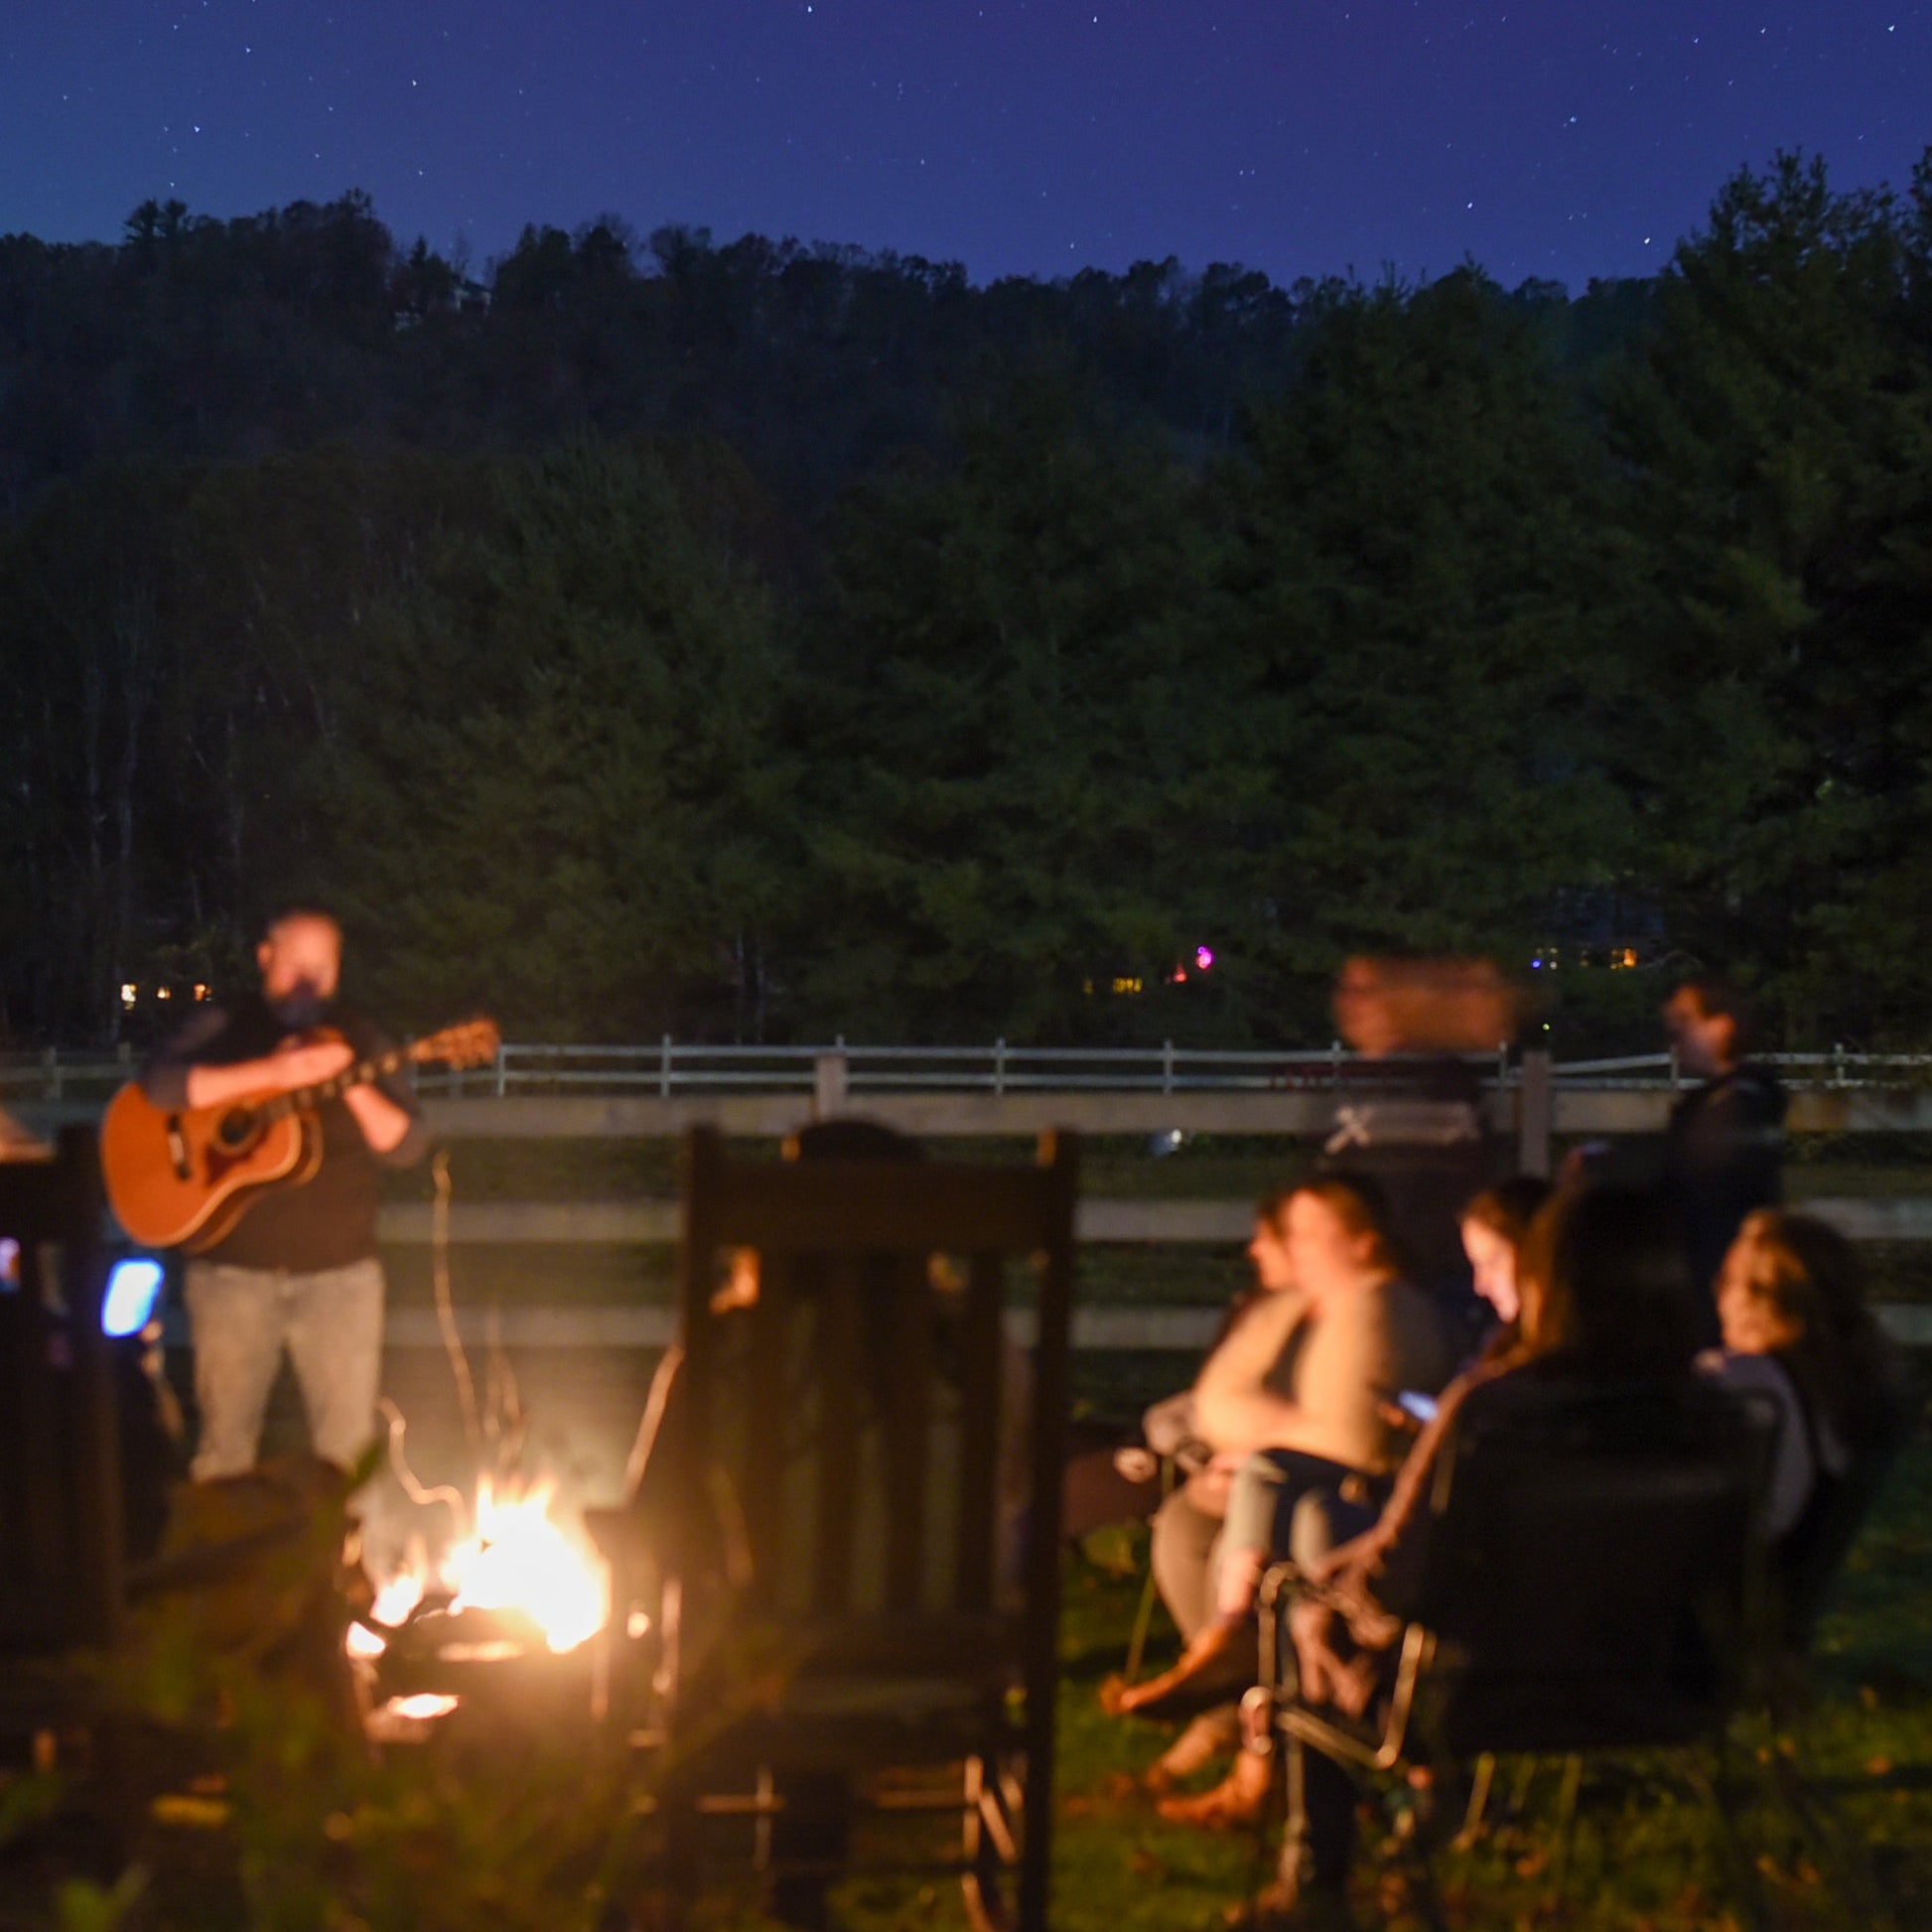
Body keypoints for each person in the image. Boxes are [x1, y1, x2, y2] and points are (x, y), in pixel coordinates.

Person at [1174, 1187, 1710, 1914]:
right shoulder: (1714, 1412)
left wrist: (1327, 1594)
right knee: (1324, 1546)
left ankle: (1314, 1881)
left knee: (1306, 1604)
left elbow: (1396, 1579)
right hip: (1659, 1678)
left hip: (1479, 1691)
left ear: (1547, 1276)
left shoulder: (1494, 1407)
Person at [1104, 1176, 1456, 1724]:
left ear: (1363, 1242)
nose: (1297, 1247)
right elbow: (1219, 1401)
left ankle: (1246, 1678)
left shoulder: (1380, 1313)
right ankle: (1232, 1712)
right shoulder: (1302, 1311)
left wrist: (1254, 1449)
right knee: (1187, 1524)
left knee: (1287, 1521)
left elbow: (1353, 1440)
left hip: (1353, 1498)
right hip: (1276, 1481)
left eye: (1312, 1234)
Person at [142, 907, 428, 1480]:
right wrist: (275, 1073)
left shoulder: (359, 1035)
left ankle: (340, 1567)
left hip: (341, 1281)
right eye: (297, 963)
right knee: (224, 1451)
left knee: (346, 1454)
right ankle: (226, 1566)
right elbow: (158, 1086)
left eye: (323, 967)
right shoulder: (228, 1024)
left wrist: (348, 1078)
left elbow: (407, 1145)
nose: (309, 979)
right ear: (265, 957)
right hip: (229, 1277)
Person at [1700, 1207, 1904, 1635]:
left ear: (1761, 1297)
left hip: (1707, 1606)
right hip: (1773, 1603)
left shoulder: (1747, 1382)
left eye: (1727, 1280)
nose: (1717, 1291)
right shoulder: (1845, 1389)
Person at [1660, 977, 1787, 1323]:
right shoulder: (1729, 1099)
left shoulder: (1739, 1103)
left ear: (1721, 1028)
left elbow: (1695, 1171)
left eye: (1685, 1022)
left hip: (1720, 1270)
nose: (1675, 1036)